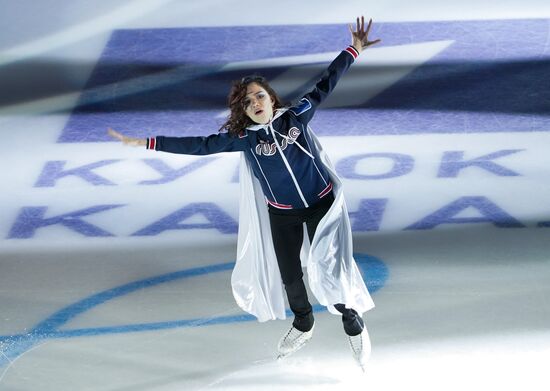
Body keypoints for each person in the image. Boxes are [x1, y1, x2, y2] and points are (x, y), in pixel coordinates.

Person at [109, 16, 381, 371]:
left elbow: (325, 83)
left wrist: (354, 49)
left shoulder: (296, 117)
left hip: (321, 205)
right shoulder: (245, 138)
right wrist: (147, 142)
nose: (255, 101)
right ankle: (303, 322)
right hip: (281, 212)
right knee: (290, 275)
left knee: (330, 269)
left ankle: (351, 321)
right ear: (243, 111)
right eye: (248, 100)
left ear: (271, 99)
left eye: (259, 95)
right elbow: (200, 145)